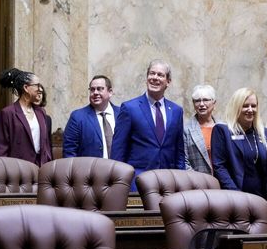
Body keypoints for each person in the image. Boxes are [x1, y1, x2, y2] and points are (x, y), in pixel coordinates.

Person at [111, 60, 185, 188]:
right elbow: (118, 150)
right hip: (137, 182)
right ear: (146, 78)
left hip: (169, 182)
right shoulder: (129, 108)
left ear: (168, 82)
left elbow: (179, 151)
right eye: (152, 74)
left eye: (160, 75)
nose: (155, 78)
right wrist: (119, 184)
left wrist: (181, 180)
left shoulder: (176, 111)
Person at [211, 88, 267, 207]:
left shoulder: (263, 133)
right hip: (234, 200)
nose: (250, 110)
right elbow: (219, 167)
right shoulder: (222, 131)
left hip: (261, 200)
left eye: (254, 106)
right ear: (236, 107)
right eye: (245, 106)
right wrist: (237, 196)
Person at [0, 68, 52, 166]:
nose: (40, 89)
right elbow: (2, 147)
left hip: (42, 168)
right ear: (26, 88)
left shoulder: (41, 112)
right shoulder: (8, 113)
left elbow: (46, 143)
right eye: (37, 85)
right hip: (18, 169)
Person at [63, 75, 120, 158]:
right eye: (92, 89)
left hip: (120, 169)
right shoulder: (78, 117)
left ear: (110, 92)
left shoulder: (122, 114)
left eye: (100, 89)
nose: (95, 93)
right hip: (89, 170)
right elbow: (69, 151)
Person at [183, 84, 219, 174]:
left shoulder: (223, 127)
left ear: (214, 102)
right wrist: (198, 181)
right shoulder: (186, 130)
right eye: (197, 101)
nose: (201, 104)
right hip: (198, 183)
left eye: (206, 100)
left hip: (223, 184)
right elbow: (184, 161)